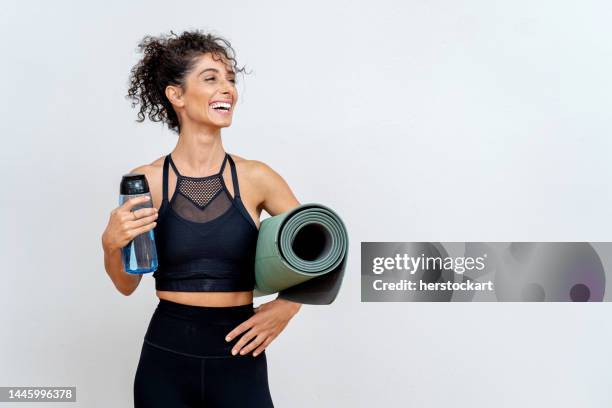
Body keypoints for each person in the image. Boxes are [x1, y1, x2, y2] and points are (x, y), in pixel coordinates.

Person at [101, 29, 302, 407]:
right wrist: (110, 244)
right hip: (166, 356)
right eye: (211, 78)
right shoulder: (146, 181)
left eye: (230, 80)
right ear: (176, 95)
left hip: (240, 353)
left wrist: (287, 307)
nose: (227, 89)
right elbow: (126, 284)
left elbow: (324, 252)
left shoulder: (258, 178)